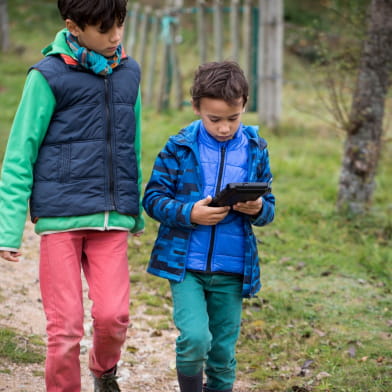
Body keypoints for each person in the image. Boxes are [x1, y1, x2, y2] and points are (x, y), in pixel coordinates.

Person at [0, 0, 143, 391]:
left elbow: (133, 144)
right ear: (73, 27)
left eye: (120, 26)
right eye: (103, 29)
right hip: (60, 221)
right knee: (64, 330)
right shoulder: (47, 76)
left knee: (114, 317)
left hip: (112, 218)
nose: (115, 37)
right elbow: (19, 153)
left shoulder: (129, 73)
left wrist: (135, 209)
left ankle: (104, 371)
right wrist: (8, 228)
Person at [142, 61, 275, 392]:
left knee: (222, 351)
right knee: (196, 338)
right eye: (214, 119)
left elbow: (269, 207)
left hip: (233, 269)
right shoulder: (179, 147)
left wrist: (257, 208)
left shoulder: (256, 150)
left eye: (233, 118)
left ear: (245, 104)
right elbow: (153, 199)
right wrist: (189, 213)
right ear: (196, 107)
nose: (225, 128)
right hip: (186, 265)